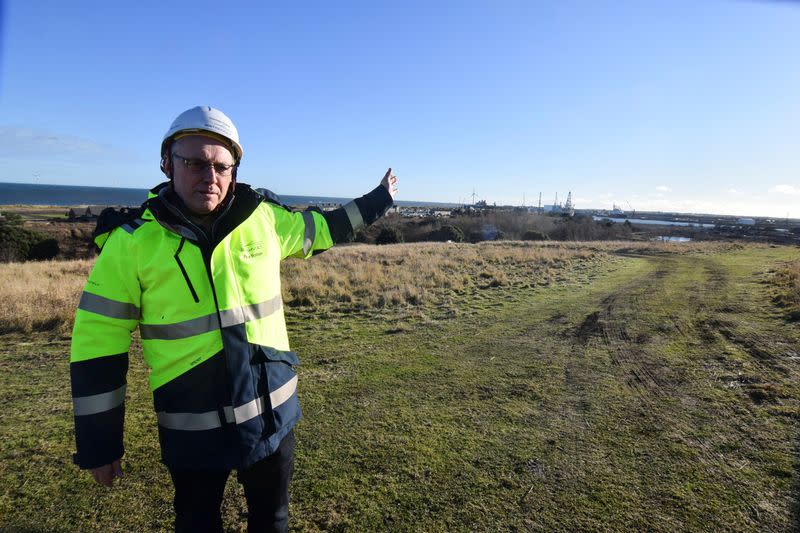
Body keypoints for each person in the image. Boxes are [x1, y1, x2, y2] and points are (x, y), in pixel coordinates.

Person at [69, 106, 397, 532]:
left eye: (221, 165)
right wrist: (99, 442)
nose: (210, 175)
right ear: (167, 163)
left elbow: (325, 228)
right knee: (197, 523)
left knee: (272, 520)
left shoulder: (264, 219)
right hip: (193, 433)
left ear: (235, 171)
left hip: (272, 419)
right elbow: (98, 340)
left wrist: (379, 199)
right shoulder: (131, 243)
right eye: (195, 163)